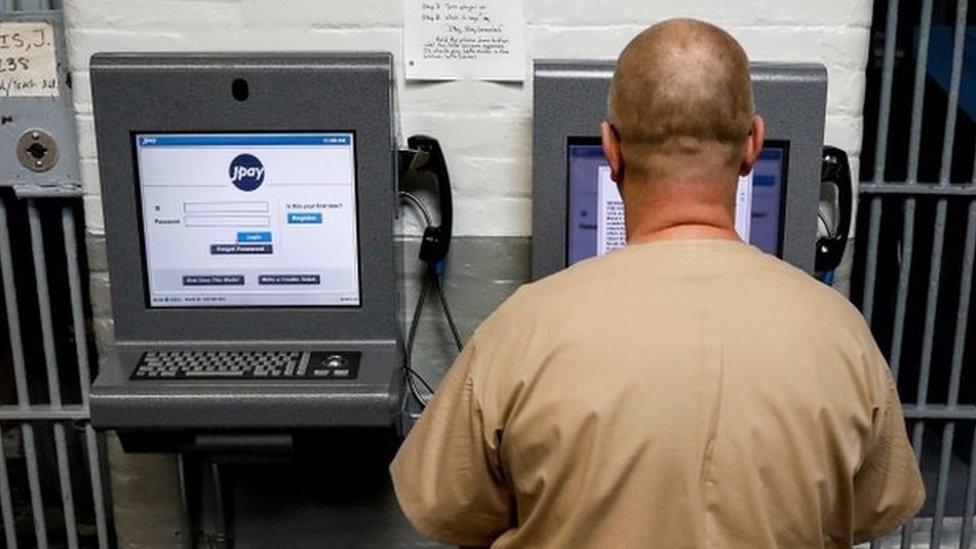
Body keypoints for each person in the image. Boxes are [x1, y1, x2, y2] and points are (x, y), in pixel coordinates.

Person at [390, 18, 925, 548]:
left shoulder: (521, 330)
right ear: (753, 144)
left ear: (611, 148)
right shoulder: (841, 335)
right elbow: (872, 509)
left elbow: (452, 512)